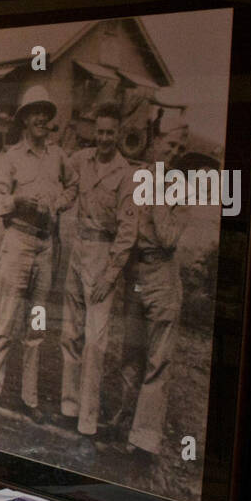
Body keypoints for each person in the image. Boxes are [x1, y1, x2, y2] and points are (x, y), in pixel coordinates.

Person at [0, 85, 78, 422]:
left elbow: (72, 188)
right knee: (6, 320)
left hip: (45, 248)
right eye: (34, 111)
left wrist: (57, 204)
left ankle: (29, 397)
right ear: (24, 118)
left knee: (36, 326)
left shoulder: (59, 156)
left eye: (45, 112)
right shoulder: (12, 157)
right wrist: (18, 202)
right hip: (18, 245)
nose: (41, 117)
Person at [58, 103, 137, 447]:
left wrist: (111, 274)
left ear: (119, 134)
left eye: (110, 132)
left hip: (104, 256)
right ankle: (69, 406)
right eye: (100, 131)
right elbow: (58, 167)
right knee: (70, 331)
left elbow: (128, 230)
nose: (104, 138)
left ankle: (87, 420)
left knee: (95, 340)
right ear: (95, 131)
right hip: (78, 250)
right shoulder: (81, 159)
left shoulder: (126, 174)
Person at [111, 120, 190, 462]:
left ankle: (144, 441)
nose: (171, 153)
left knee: (158, 360)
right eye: (167, 145)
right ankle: (126, 421)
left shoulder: (178, 185)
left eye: (177, 149)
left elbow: (169, 238)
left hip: (162, 275)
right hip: (136, 274)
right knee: (130, 354)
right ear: (153, 141)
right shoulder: (134, 175)